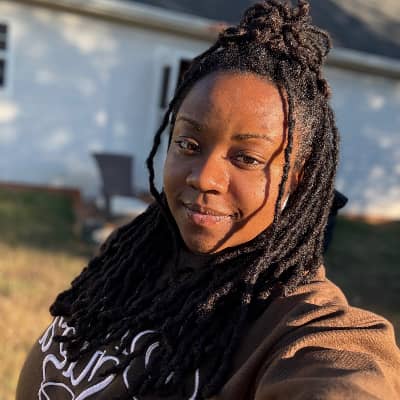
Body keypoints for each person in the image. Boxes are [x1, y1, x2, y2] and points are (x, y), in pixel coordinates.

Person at [17, 1, 400, 399]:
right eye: (188, 144)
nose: (203, 178)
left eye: (247, 158)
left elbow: (347, 381)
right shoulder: (130, 256)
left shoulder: (304, 329)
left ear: (296, 181)